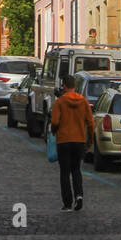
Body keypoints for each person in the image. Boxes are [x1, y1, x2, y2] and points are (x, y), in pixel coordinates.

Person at [50, 74, 94, 212]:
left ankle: (67, 203)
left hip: (63, 140)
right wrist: (90, 141)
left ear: (64, 86)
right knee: (76, 170)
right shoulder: (84, 102)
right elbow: (91, 123)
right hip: (79, 140)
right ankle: (79, 195)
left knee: (64, 172)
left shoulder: (60, 102)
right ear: (74, 86)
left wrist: (53, 130)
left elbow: (55, 121)